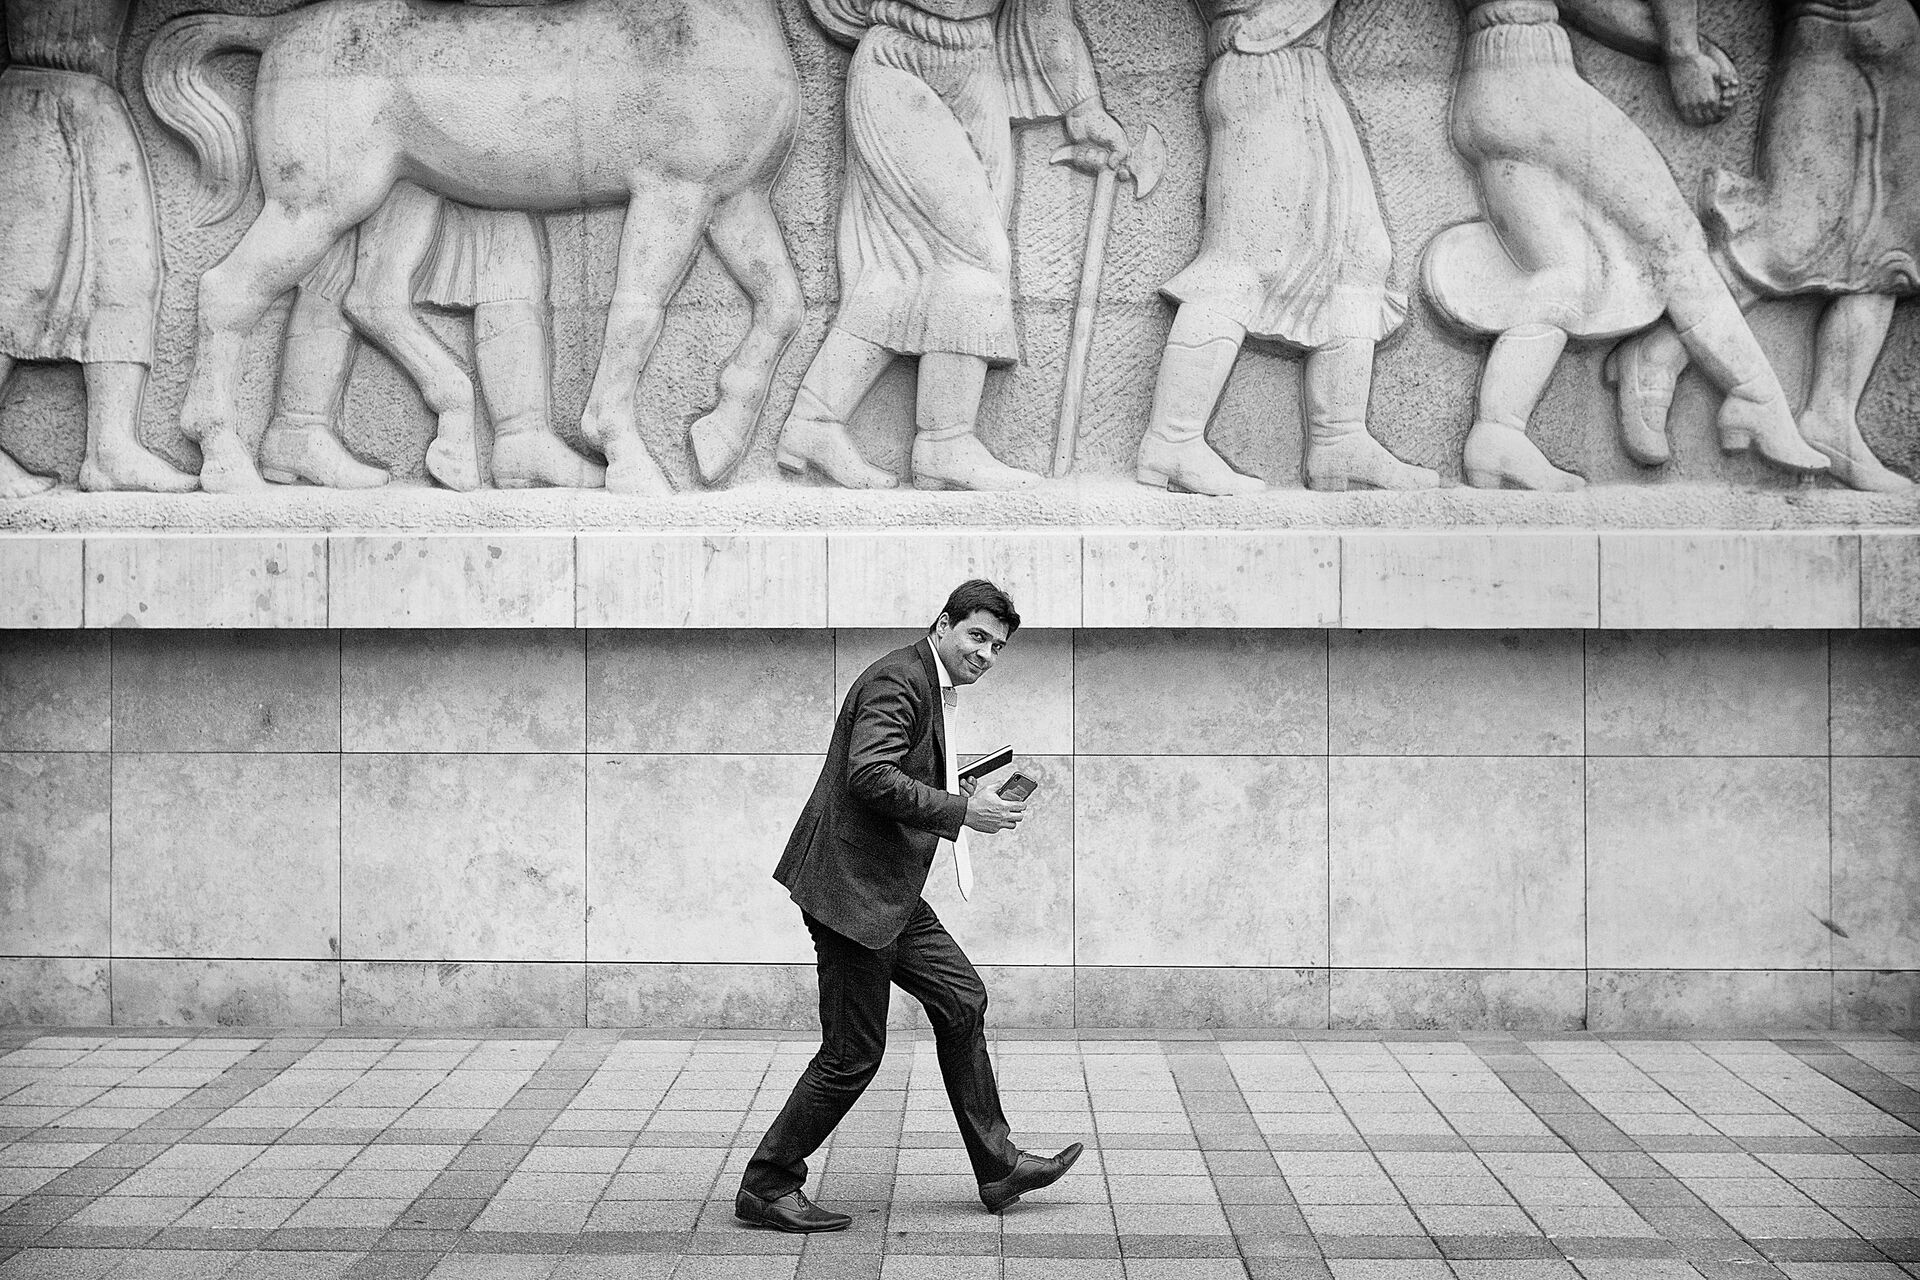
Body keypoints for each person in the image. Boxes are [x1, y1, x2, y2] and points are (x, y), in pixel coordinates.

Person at [736, 580, 1081, 1233]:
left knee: (961, 1000)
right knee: (852, 1054)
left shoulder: (926, 680)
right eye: (977, 636)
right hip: (850, 894)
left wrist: (958, 787)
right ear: (943, 625)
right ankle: (767, 1184)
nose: (985, 654)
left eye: (997, 647)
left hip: (886, 892)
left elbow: (896, 770)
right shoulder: (899, 680)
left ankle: (1000, 1167)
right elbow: (869, 774)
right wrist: (962, 810)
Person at [1421, 0, 1828, 490]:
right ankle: (1756, 398)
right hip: (1537, 83)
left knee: (1564, 273)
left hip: (1485, 83)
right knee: (1675, 240)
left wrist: (1683, 51)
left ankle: (1498, 432)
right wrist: (1682, 51)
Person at [771, 0, 1130, 492]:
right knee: (976, 258)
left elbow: (1045, 9)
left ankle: (814, 421)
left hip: (976, 65)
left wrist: (1083, 105)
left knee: (902, 270)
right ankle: (945, 441)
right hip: (899, 56)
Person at [1608, 0, 1917, 492]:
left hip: (1901, 49)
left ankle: (1832, 416)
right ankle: (1662, 349)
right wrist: (1682, 50)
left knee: (1889, 251)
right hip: (1824, 40)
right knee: (1786, 235)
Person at [1138, 0, 1439, 496]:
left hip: (1309, 71)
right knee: (1244, 260)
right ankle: (1172, 439)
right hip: (1257, 60)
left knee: (1361, 255)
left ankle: (1340, 439)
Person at [0, 0, 196, 497]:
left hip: (96, 99)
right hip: (33, 96)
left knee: (127, 274)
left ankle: (111, 449)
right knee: (20, 278)